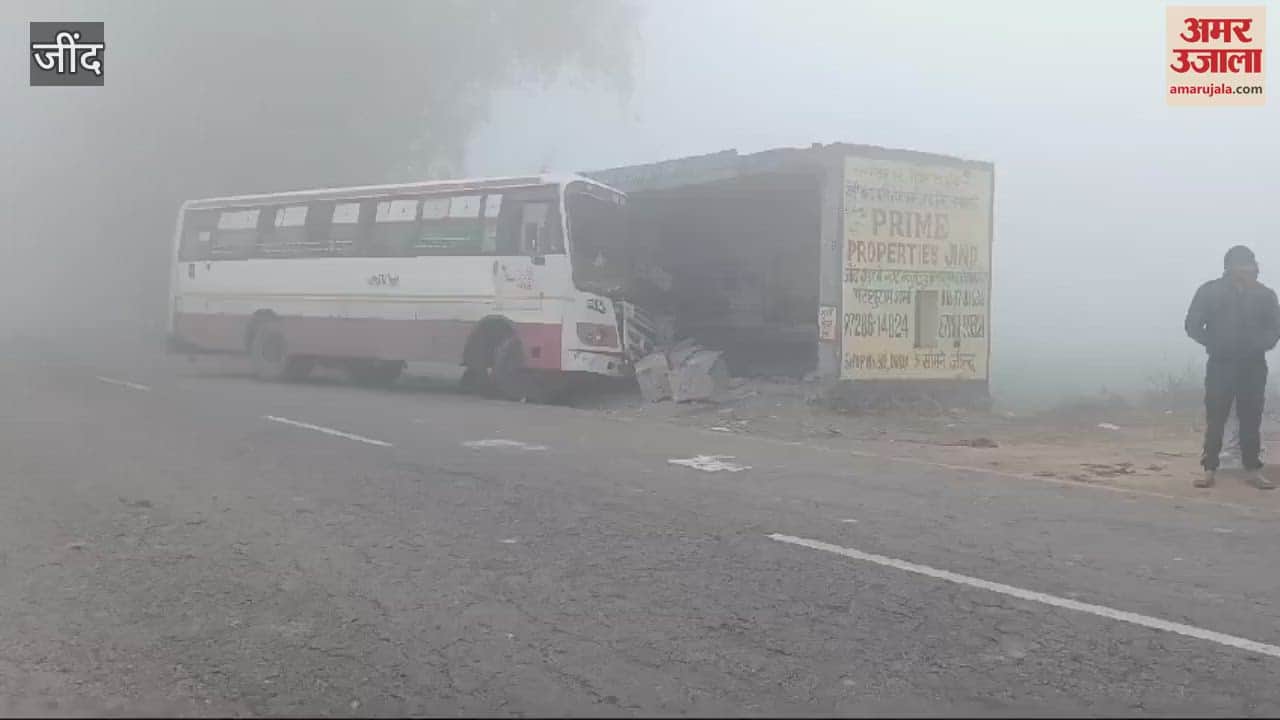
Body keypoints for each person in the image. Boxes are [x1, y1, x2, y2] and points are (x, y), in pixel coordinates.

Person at [1185, 245, 1280, 489]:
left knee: (1251, 418)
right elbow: (1192, 325)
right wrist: (1215, 343)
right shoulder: (1210, 292)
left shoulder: (1265, 295)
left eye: (1252, 265)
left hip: (1253, 365)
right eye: (1244, 266)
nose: (1250, 270)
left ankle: (1252, 469)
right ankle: (1209, 470)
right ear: (1231, 268)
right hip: (1220, 364)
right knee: (1216, 417)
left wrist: (1259, 345)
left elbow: (1275, 328)